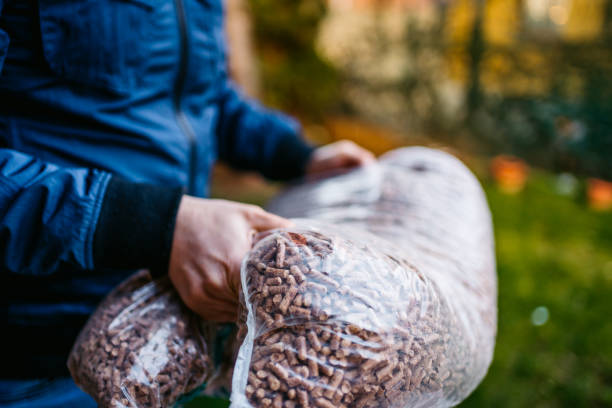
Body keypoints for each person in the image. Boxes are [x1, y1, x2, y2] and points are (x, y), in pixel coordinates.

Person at [0, 0, 374, 406]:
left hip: (164, 345)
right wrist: (155, 223)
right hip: (31, 357)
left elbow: (202, 98)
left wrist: (297, 155)